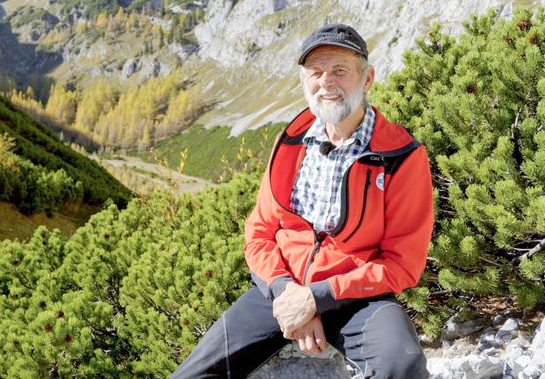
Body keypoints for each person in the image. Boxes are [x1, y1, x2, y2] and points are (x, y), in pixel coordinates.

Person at [172, 24, 433, 378]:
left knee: (402, 364)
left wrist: (318, 298)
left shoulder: (400, 155)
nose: (326, 82)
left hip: (356, 296)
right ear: (304, 81)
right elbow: (260, 232)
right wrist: (287, 294)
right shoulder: (290, 142)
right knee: (193, 374)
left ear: (367, 78)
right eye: (315, 72)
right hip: (281, 288)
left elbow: (403, 264)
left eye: (339, 71)